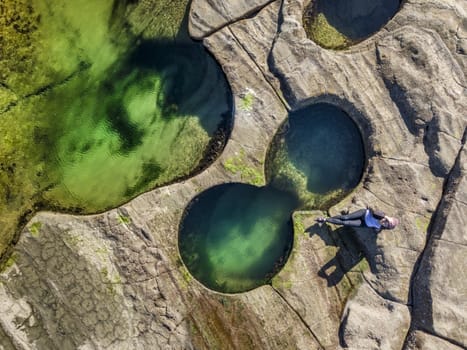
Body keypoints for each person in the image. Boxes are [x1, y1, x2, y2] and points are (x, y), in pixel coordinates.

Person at [315, 207, 399, 230]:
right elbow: (372, 210)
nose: (384, 222)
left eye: (386, 225)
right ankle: (327, 218)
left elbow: (379, 228)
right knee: (345, 217)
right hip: (363, 214)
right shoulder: (381, 215)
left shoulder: (381, 227)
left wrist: (382, 226)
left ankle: (325, 220)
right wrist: (385, 217)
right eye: (386, 221)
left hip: (363, 224)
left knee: (345, 223)